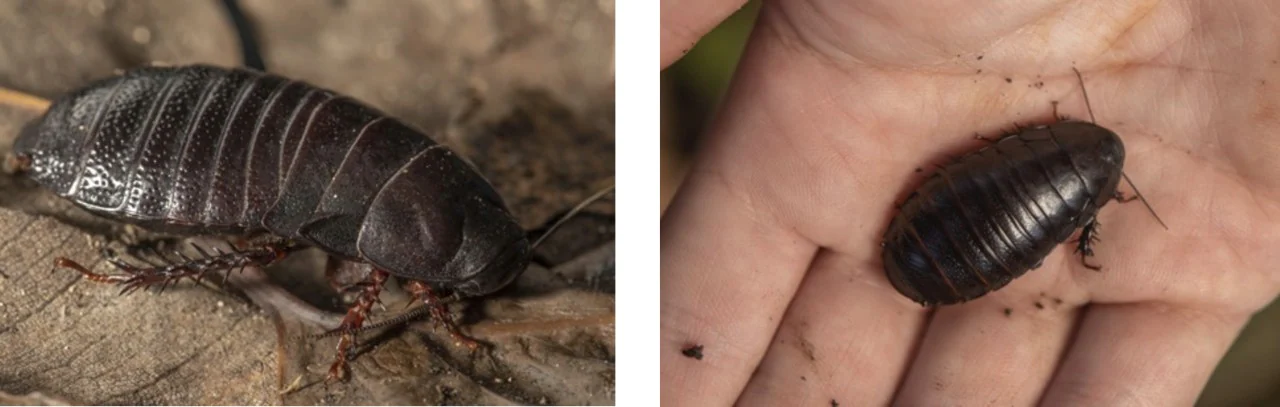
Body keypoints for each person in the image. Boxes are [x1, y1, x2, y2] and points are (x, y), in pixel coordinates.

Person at [660, 1, 1280, 405]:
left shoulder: (1034, 148)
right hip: (957, 249)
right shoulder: (1082, 204)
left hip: (953, 234)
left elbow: (997, 159)